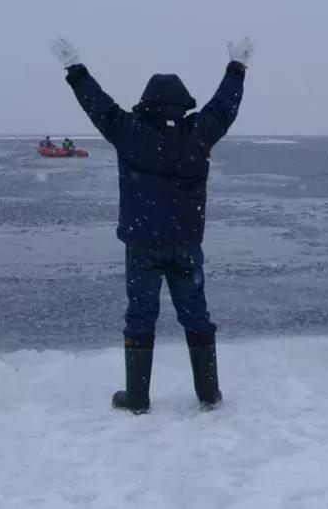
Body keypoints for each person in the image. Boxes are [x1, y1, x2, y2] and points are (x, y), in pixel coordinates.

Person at [51, 35, 253, 414]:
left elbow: (97, 105)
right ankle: (208, 394)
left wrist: (75, 68)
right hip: (186, 244)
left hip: (142, 244)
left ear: (146, 103)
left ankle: (137, 398)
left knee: (140, 316)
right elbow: (225, 107)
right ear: (183, 103)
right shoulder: (198, 133)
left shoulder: (130, 131)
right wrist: (237, 67)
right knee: (196, 315)